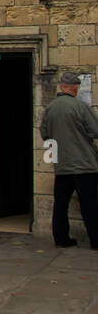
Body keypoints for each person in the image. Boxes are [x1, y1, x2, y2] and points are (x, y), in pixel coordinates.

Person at [40, 71, 98, 248]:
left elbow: (44, 134)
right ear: (75, 88)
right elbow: (95, 131)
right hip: (84, 165)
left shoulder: (50, 108)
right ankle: (96, 240)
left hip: (62, 165)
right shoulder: (80, 107)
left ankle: (61, 238)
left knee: (61, 204)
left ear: (61, 87)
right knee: (90, 205)